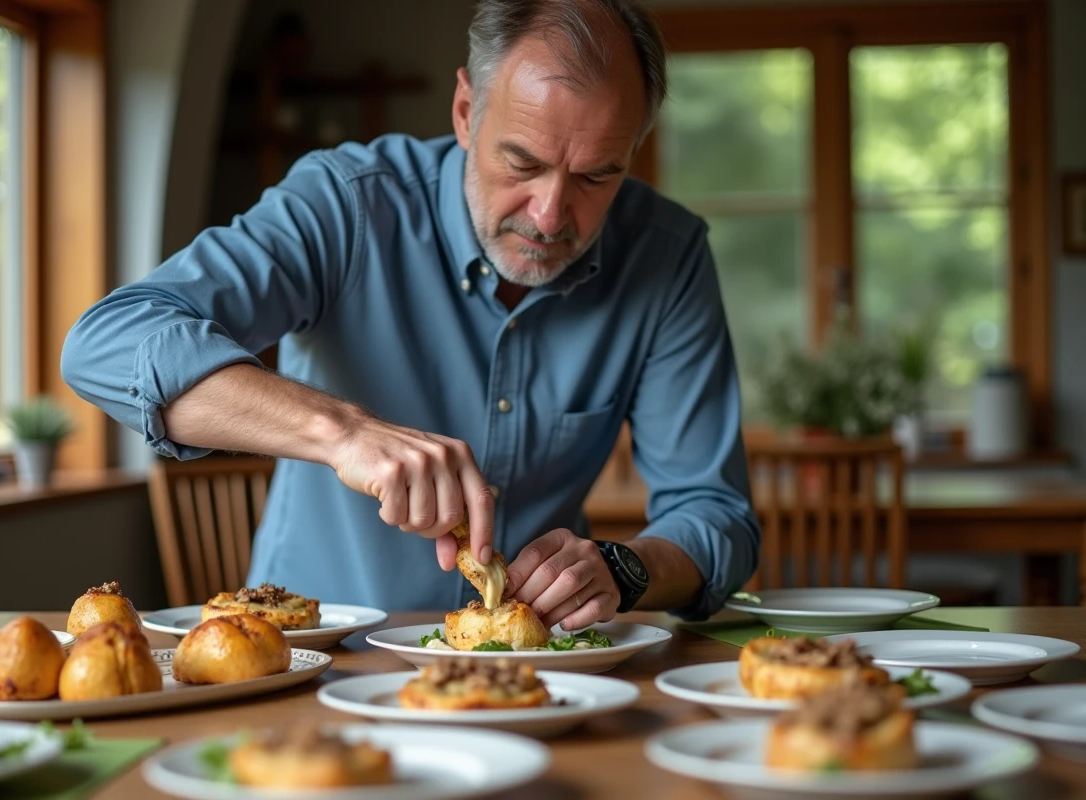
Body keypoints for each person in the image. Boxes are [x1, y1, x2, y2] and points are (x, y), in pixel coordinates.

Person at [61, 0, 760, 631]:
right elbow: (106, 344)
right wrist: (342, 432)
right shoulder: (345, 205)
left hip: (539, 669)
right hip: (317, 659)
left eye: (596, 175)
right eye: (521, 163)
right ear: (465, 111)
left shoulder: (668, 256)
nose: (549, 215)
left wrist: (626, 568)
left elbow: (716, 515)